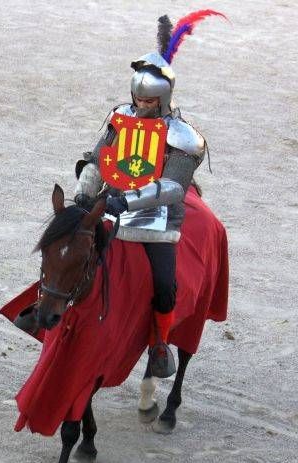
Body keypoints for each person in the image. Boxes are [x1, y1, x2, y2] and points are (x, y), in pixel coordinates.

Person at [74, 12, 222, 378]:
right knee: (68, 250)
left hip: (155, 220)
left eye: (148, 102)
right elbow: (98, 160)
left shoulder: (183, 136)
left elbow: (173, 186)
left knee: (165, 286)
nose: (140, 107)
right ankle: (47, 310)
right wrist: (83, 194)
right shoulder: (119, 118)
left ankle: (158, 345)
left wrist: (128, 200)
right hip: (110, 203)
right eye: (137, 99)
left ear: (163, 99)